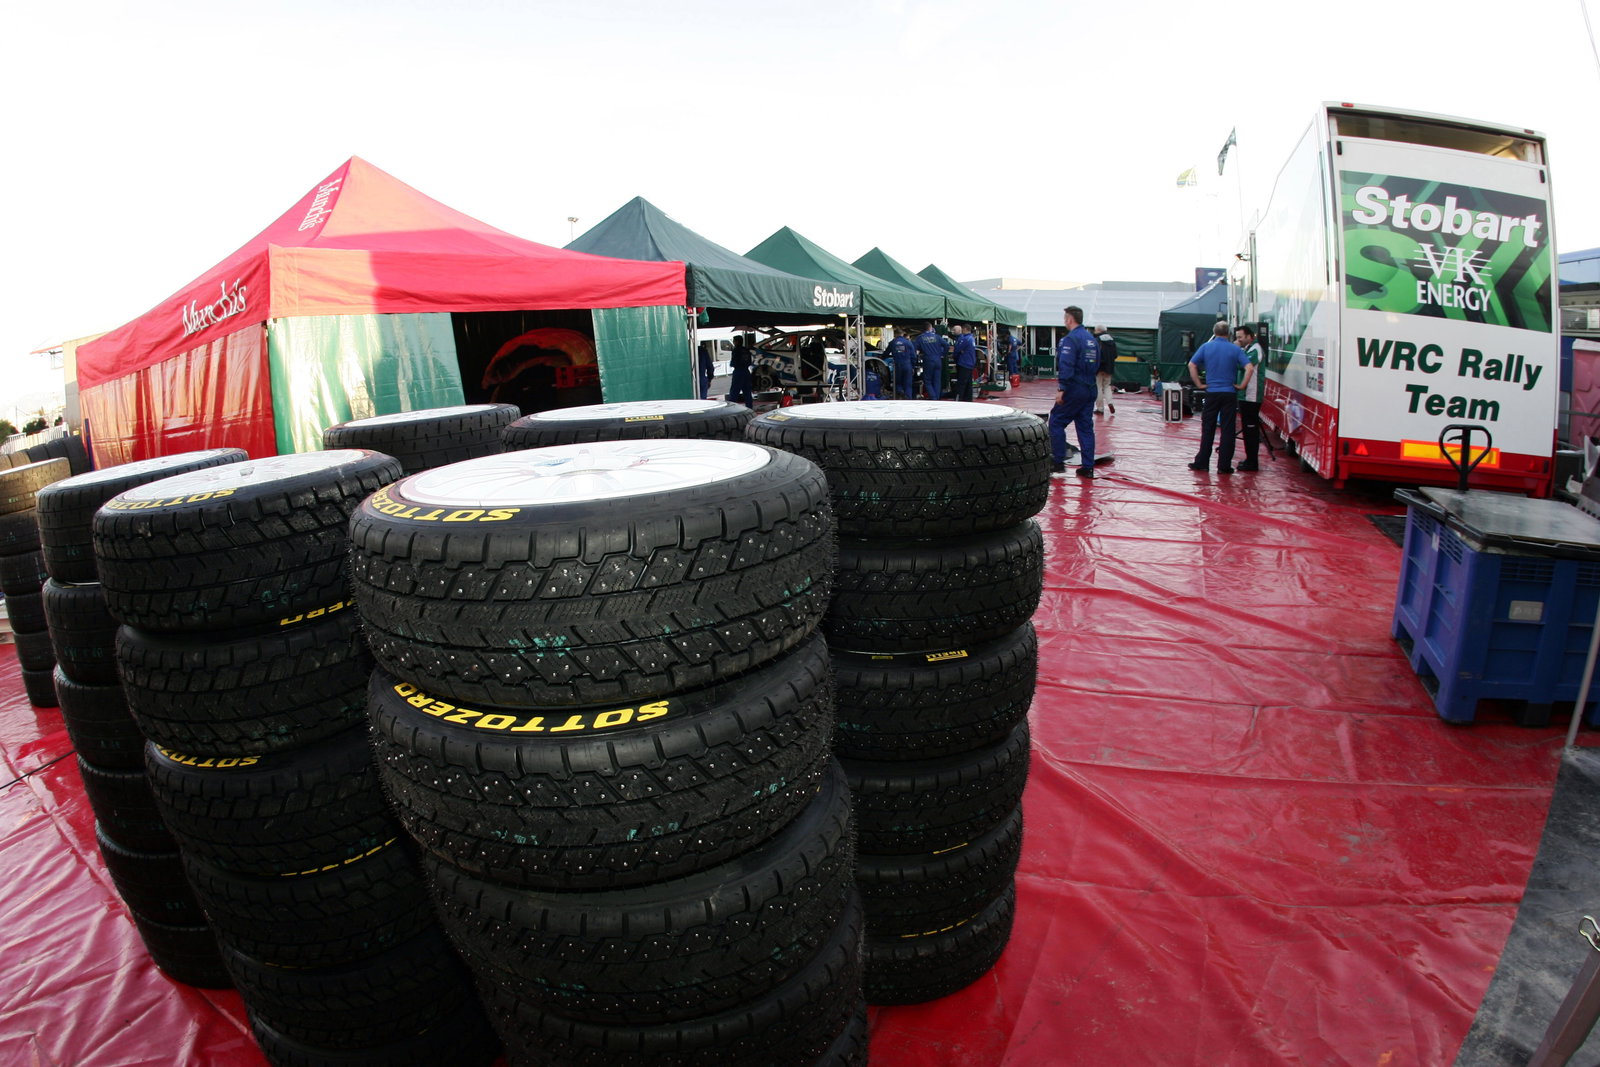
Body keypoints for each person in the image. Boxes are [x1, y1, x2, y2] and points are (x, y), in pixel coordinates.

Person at [1186, 322, 1250, 473]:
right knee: (1228, 429)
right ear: (1229, 333)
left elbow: (1192, 365)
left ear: (1214, 332)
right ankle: (1224, 465)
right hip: (1229, 392)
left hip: (1212, 391)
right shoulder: (1235, 349)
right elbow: (1249, 368)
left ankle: (1202, 462)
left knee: (1208, 427)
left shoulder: (1206, 347)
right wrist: (1241, 385)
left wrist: (1199, 384)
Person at [1050, 305, 1099, 478]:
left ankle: (1057, 462)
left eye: (1065, 318)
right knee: (1085, 427)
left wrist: (1062, 388)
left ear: (1069, 319)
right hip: (1090, 387)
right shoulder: (1091, 339)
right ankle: (1088, 467)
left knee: (1056, 421)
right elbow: (1097, 363)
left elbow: (1066, 365)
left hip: (1075, 388)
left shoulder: (1070, 340)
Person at [1234, 324, 1265, 471]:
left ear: (1249, 336)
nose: (1238, 340)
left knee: (1250, 429)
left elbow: (1244, 365)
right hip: (1245, 395)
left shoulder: (1255, 349)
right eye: (1237, 337)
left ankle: (1252, 462)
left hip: (1251, 395)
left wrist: (1235, 351)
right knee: (1247, 428)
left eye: (1240, 337)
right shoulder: (1247, 349)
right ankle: (1249, 459)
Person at [915, 322, 945, 400]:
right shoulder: (937, 337)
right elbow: (946, 345)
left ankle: (933, 397)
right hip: (938, 360)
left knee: (927, 380)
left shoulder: (920, 337)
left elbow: (914, 348)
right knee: (937, 380)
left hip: (928, 360)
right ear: (930, 328)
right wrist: (942, 354)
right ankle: (937, 398)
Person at [885, 327, 916, 399]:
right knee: (908, 384)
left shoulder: (892, 342)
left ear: (895, 334)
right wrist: (913, 366)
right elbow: (913, 356)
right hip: (907, 365)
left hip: (897, 365)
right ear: (902, 334)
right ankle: (908, 398)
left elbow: (886, 353)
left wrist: (882, 357)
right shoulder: (908, 342)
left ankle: (900, 393)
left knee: (898, 382)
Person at [1094, 327, 1119, 416]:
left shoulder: (1096, 340)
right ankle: (1110, 402)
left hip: (1099, 367)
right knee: (1107, 386)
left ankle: (1100, 409)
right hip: (1109, 367)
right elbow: (1115, 355)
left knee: (1098, 387)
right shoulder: (1112, 341)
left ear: (1098, 331)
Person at [951, 324, 978, 402]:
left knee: (961, 383)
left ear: (965, 329)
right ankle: (968, 399)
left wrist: (955, 355)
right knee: (968, 383)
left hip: (964, 363)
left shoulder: (964, 339)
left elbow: (957, 349)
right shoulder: (972, 338)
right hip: (970, 363)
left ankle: (959, 399)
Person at [728, 334, 755, 408]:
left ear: (737, 341)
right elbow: (750, 362)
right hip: (746, 372)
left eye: (734, 341)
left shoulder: (736, 350)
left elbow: (733, 363)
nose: (733, 342)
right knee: (747, 393)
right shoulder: (746, 350)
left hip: (738, 372)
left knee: (734, 392)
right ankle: (750, 408)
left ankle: (731, 408)